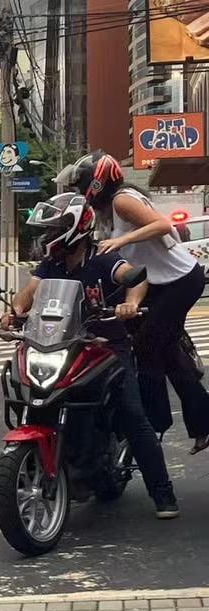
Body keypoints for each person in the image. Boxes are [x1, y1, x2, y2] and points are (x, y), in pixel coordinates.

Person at [1, 192, 178, 519]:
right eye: (48, 231)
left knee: (132, 415)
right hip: (63, 346)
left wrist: (131, 303)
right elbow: (31, 291)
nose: (48, 237)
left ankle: (163, 493)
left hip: (107, 346)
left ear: (75, 228)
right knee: (38, 396)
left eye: (54, 230)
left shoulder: (102, 256)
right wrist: (14, 311)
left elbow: (133, 277)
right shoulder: (51, 263)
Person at [62, 152, 209, 454]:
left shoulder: (122, 201)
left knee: (147, 347)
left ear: (98, 182)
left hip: (179, 281)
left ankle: (153, 422)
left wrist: (123, 241)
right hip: (157, 284)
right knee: (168, 352)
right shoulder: (105, 211)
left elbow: (163, 225)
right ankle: (202, 425)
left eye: (83, 186)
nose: (81, 193)